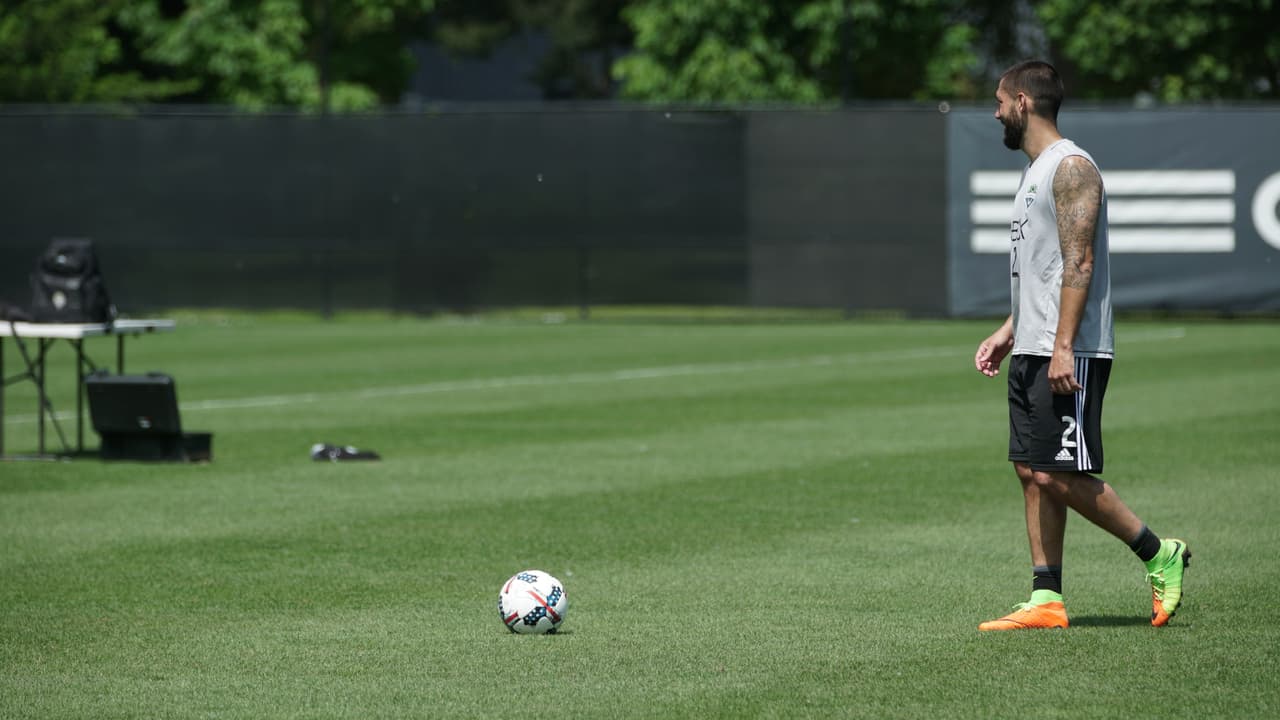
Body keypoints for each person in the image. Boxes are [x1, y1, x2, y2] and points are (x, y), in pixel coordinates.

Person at [972, 60, 1190, 630]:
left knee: (1057, 473)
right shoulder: (1035, 172)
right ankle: (1046, 598)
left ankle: (1159, 553)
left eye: (999, 101)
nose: (994, 112)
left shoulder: (1070, 167)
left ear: (1023, 103)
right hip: (1034, 344)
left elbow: (1080, 262)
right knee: (1030, 469)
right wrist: (1010, 330)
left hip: (1070, 350)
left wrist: (1063, 345)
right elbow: (1042, 272)